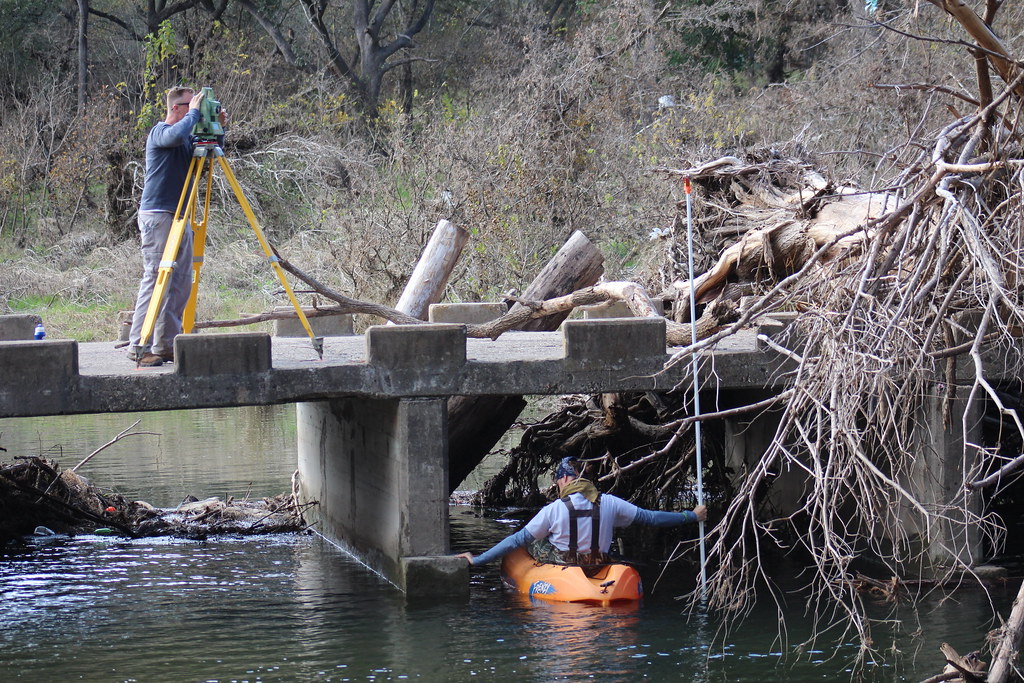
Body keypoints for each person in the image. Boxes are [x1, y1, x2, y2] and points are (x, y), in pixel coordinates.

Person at [127, 86, 226, 367]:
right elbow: (175, 135)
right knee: (157, 279)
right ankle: (139, 345)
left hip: (180, 214)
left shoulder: (185, 138)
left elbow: (208, 156)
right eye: (191, 104)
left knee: (180, 282)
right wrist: (195, 113)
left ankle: (166, 345)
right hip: (158, 216)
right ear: (176, 108)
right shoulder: (161, 132)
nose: (197, 107)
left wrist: (218, 127)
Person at [457, 457, 707, 567]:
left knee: (529, 539)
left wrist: (478, 560)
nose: (557, 485)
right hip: (598, 563)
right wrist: (691, 516)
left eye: (558, 481)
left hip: (565, 564)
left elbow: (517, 540)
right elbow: (649, 518)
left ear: (565, 479)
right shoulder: (609, 502)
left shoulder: (554, 509)